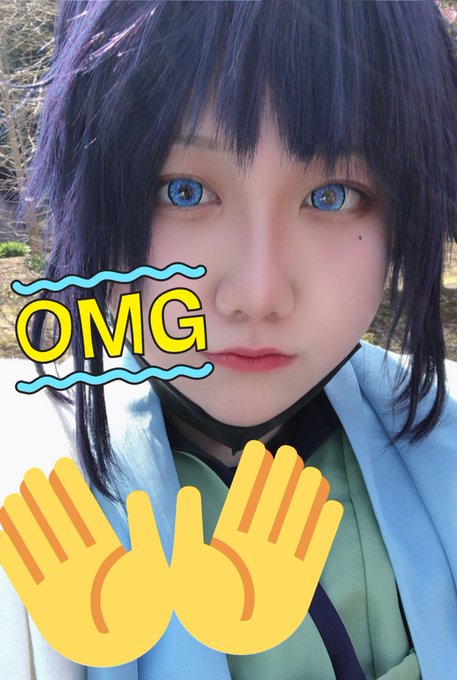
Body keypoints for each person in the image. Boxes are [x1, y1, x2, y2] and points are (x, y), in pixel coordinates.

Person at [1, 1, 457, 678]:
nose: (258, 295)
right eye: (182, 191)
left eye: (334, 194)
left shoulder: (441, 447)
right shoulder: (26, 481)